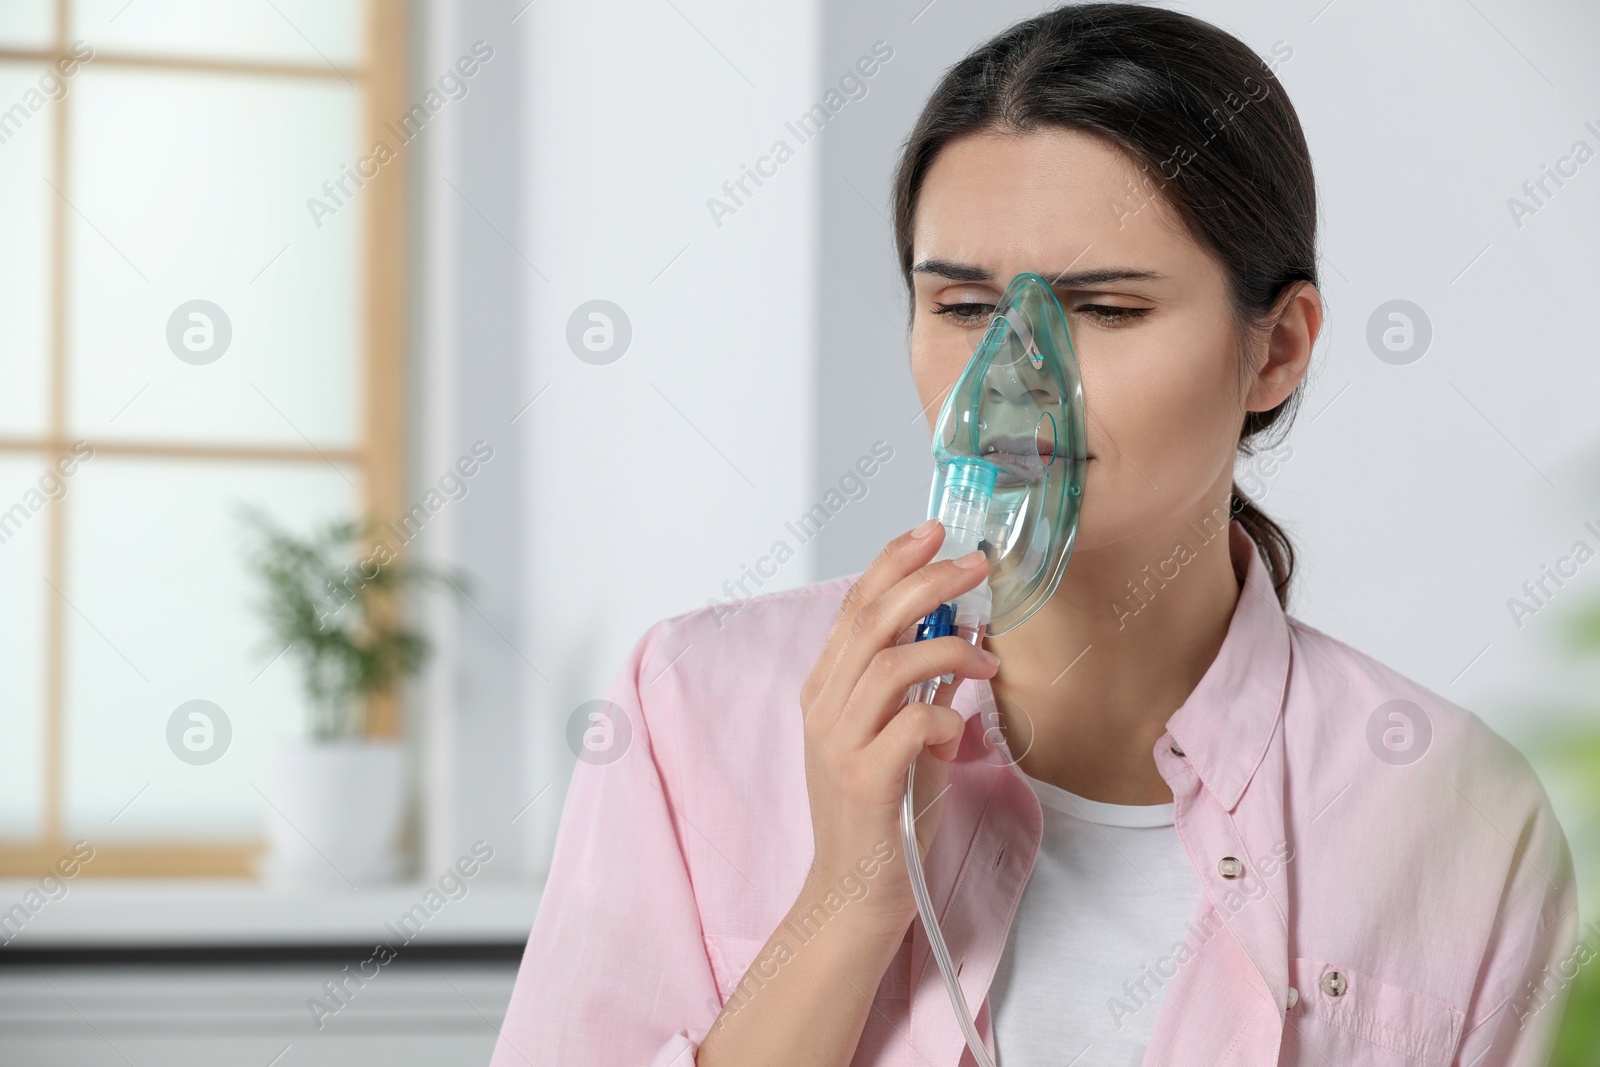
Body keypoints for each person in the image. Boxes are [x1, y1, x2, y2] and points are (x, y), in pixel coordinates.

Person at [492, 4, 1578, 1065]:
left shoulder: (1451, 812)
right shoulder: (696, 705)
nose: (1016, 384)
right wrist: (845, 902)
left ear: (1277, 349)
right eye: (964, 306)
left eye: (1104, 309)